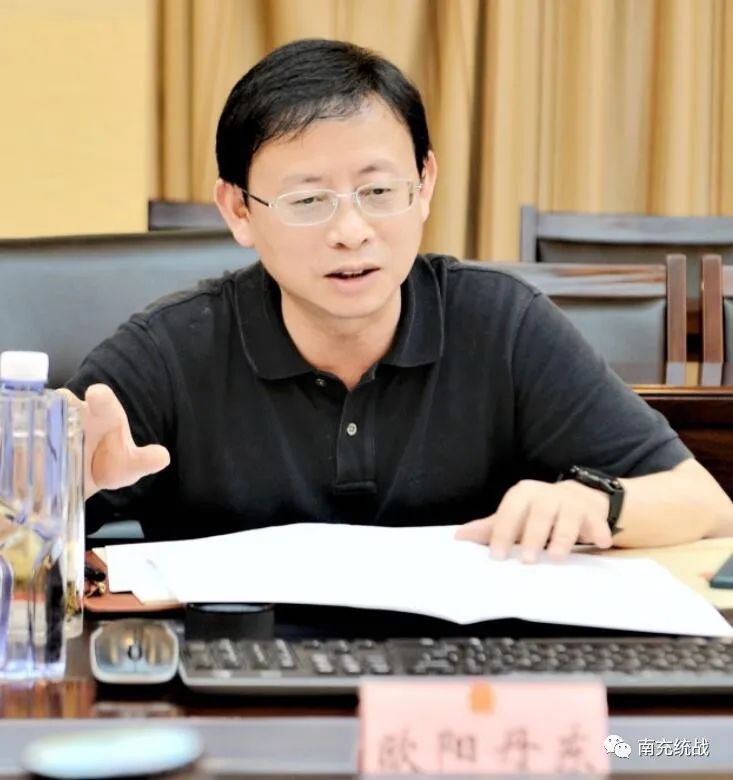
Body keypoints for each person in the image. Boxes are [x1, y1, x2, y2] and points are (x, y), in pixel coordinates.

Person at [65, 38, 733, 562]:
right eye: (308, 200)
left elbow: (705, 505)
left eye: (379, 191)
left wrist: (598, 504)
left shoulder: (501, 325)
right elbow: (25, 521)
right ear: (238, 209)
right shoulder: (170, 351)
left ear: (425, 183)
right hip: (231, 677)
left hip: (461, 675)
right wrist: (65, 491)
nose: (351, 231)